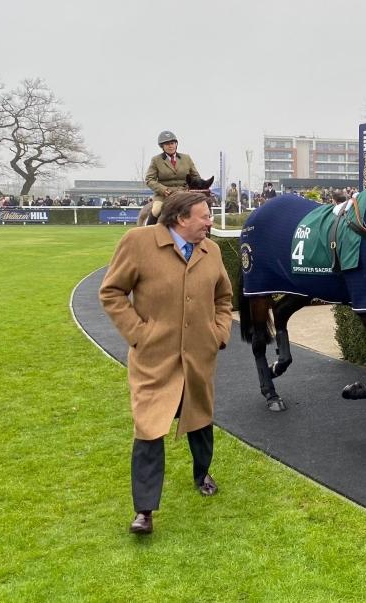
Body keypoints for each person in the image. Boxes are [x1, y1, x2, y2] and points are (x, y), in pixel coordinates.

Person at [99, 192, 233, 535]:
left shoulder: (212, 250)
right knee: (149, 427)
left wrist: (218, 333)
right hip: (154, 357)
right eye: (204, 217)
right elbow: (112, 292)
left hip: (200, 353)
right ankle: (144, 510)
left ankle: (202, 473)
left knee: (200, 418)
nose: (210, 222)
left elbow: (223, 297)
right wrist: (139, 334)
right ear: (180, 219)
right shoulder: (137, 243)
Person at [144, 130, 201, 226]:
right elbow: (149, 179)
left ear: (176, 144)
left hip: (184, 194)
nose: (170, 146)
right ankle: (148, 232)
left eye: (172, 143)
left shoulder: (186, 158)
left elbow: (196, 177)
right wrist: (162, 189)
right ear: (162, 146)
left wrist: (191, 188)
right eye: (167, 144)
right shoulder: (156, 160)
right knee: (156, 209)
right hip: (164, 195)